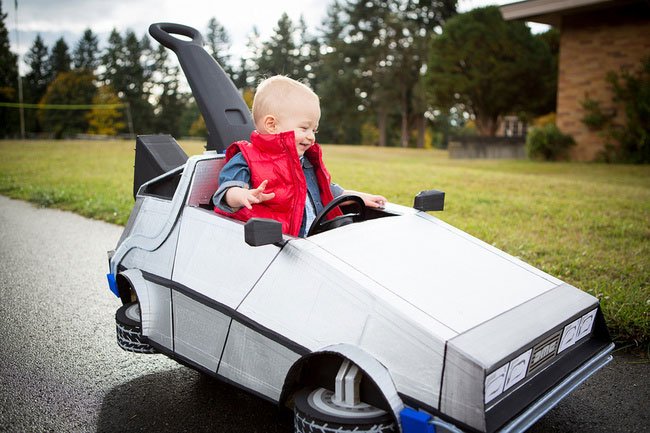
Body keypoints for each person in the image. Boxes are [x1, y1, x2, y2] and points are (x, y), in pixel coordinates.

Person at [213, 75, 386, 237]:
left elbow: (325, 190)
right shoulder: (246, 158)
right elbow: (226, 192)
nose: (311, 137)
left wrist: (357, 197)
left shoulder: (305, 161)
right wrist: (243, 196)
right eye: (304, 128)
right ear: (272, 125)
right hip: (274, 244)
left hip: (312, 238)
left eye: (314, 130)